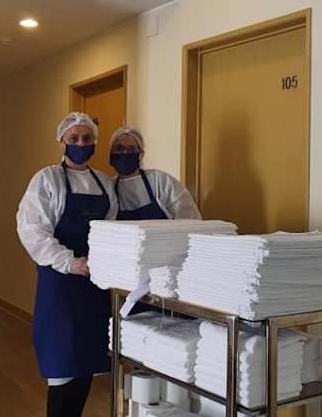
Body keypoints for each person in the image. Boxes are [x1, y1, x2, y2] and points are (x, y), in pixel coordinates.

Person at [16, 112, 117, 417]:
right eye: (74, 138)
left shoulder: (104, 183)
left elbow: (111, 229)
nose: (81, 144)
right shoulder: (47, 179)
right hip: (60, 284)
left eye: (87, 138)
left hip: (94, 285)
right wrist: (69, 262)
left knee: (86, 362)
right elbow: (32, 230)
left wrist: (102, 261)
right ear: (61, 140)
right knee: (62, 364)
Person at [109, 127, 201, 220]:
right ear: (111, 152)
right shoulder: (109, 187)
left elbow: (190, 217)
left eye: (131, 149)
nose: (125, 152)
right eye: (119, 148)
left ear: (141, 154)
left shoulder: (160, 181)